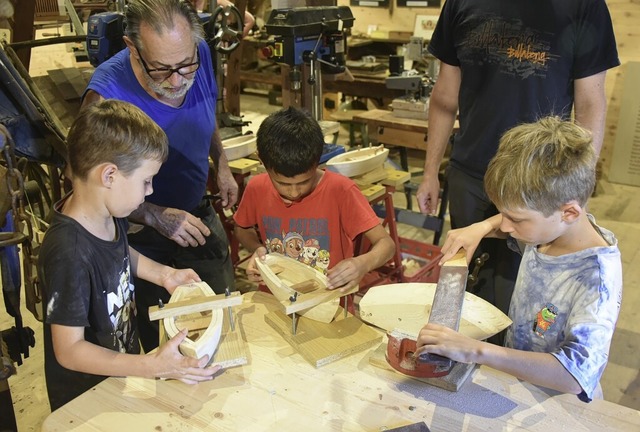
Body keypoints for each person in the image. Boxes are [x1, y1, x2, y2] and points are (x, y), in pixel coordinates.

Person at [415, 0, 620, 327]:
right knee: (468, 284)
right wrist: (430, 173)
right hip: (470, 173)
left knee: (525, 299)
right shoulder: (460, 3)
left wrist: (576, 188)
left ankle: (509, 363)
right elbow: (443, 98)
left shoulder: (583, 5)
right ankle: (469, 359)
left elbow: (590, 104)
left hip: (537, 185)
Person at [415, 117, 622, 402]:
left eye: (516, 219)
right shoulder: (548, 232)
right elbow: (516, 221)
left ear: (569, 213)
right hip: (519, 387)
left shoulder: (596, 279)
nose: (506, 226)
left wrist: (473, 349)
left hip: (558, 405)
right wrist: (482, 227)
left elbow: (574, 375)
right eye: (504, 215)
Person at [39, 100, 220, 411]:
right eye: (145, 181)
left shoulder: (105, 212)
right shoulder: (67, 251)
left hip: (119, 377)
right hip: (87, 402)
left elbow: (119, 252)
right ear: (109, 175)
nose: (149, 192)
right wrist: (151, 366)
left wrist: (164, 274)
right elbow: (69, 350)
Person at [81, 0, 237, 353]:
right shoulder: (105, 96)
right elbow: (86, 190)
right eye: (163, 70)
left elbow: (206, 106)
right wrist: (154, 215)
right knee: (166, 343)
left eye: (186, 66)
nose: (179, 79)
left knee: (222, 323)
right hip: (140, 232)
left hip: (196, 211)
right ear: (132, 48)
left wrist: (221, 162)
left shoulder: (196, 51)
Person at [233, 107, 396, 292]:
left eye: (304, 182)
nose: (294, 193)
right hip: (276, 297)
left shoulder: (341, 190)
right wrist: (257, 249)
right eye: (282, 183)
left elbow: (386, 245)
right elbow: (242, 228)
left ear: (318, 160)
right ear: (261, 161)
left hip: (328, 303)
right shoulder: (257, 187)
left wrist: (362, 263)